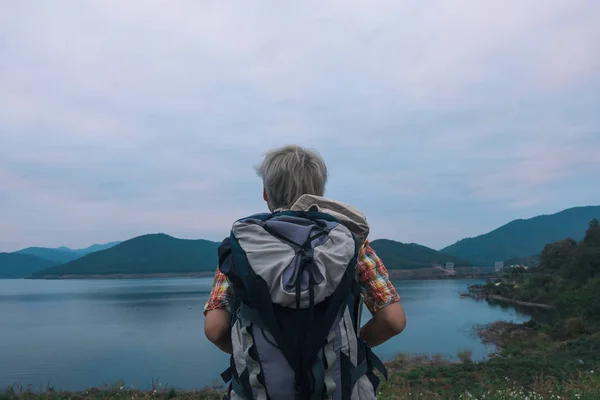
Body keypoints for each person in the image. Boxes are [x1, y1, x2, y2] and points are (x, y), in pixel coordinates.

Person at [204, 145, 406, 400]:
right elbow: (393, 320)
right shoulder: (351, 244)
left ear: (266, 193)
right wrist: (353, 349)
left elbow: (215, 328)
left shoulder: (243, 248)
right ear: (320, 193)